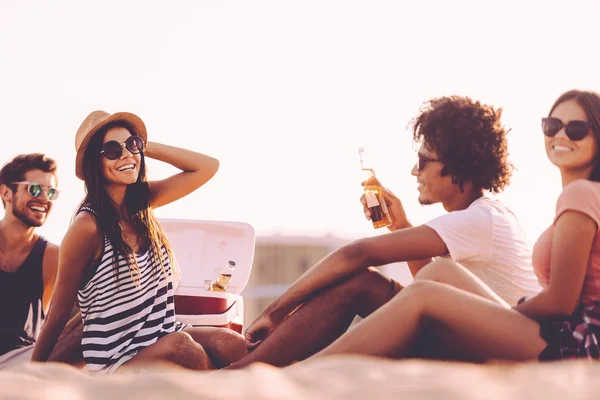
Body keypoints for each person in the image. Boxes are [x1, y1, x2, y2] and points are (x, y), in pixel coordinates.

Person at [231, 96, 540, 368]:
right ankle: (254, 369)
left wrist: (274, 312)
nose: (414, 172)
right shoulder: (483, 216)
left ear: (458, 166)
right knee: (364, 284)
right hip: (477, 336)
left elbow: (358, 252)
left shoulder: (480, 218)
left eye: (423, 161)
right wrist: (402, 226)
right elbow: (434, 284)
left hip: (503, 348)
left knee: (359, 280)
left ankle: (266, 373)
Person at [310, 89, 600, 362]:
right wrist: (401, 225)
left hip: (573, 344)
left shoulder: (579, 195)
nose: (560, 134)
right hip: (566, 334)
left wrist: (508, 316)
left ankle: (306, 372)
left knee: (422, 294)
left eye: (575, 129)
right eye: (552, 125)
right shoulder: (582, 195)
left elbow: (561, 302)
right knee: (439, 271)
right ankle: (301, 369)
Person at [32, 111, 246, 374]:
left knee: (233, 344)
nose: (125, 155)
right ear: (93, 164)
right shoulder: (87, 226)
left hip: (163, 333)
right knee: (182, 348)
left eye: (131, 144)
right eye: (111, 150)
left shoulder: (141, 203)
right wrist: (32, 371)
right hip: (117, 359)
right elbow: (59, 311)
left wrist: (143, 146)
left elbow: (207, 167)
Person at [0, 153, 83, 369]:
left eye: (51, 192)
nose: (44, 199)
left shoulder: (53, 257)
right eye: (34, 189)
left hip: (23, 361)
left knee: (93, 318)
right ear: (6, 193)